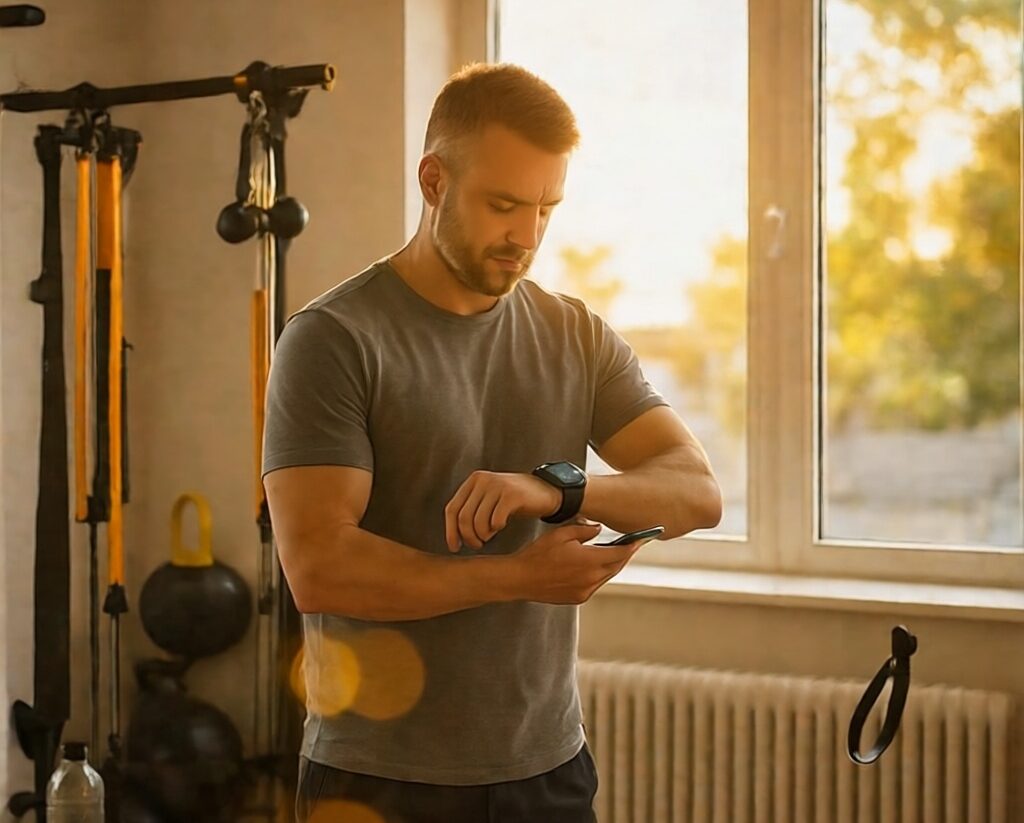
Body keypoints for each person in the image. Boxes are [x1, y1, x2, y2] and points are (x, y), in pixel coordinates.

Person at [261, 62, 722, 823]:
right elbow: (319, 568)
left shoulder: (574, 332)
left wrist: (558, 488)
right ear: (434, 180)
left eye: (547, 208)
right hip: (380, 780)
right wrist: (518, 575)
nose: (526, 235)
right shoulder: (332, 341)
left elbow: (696, 491)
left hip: (548, 768)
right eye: (503, 205)